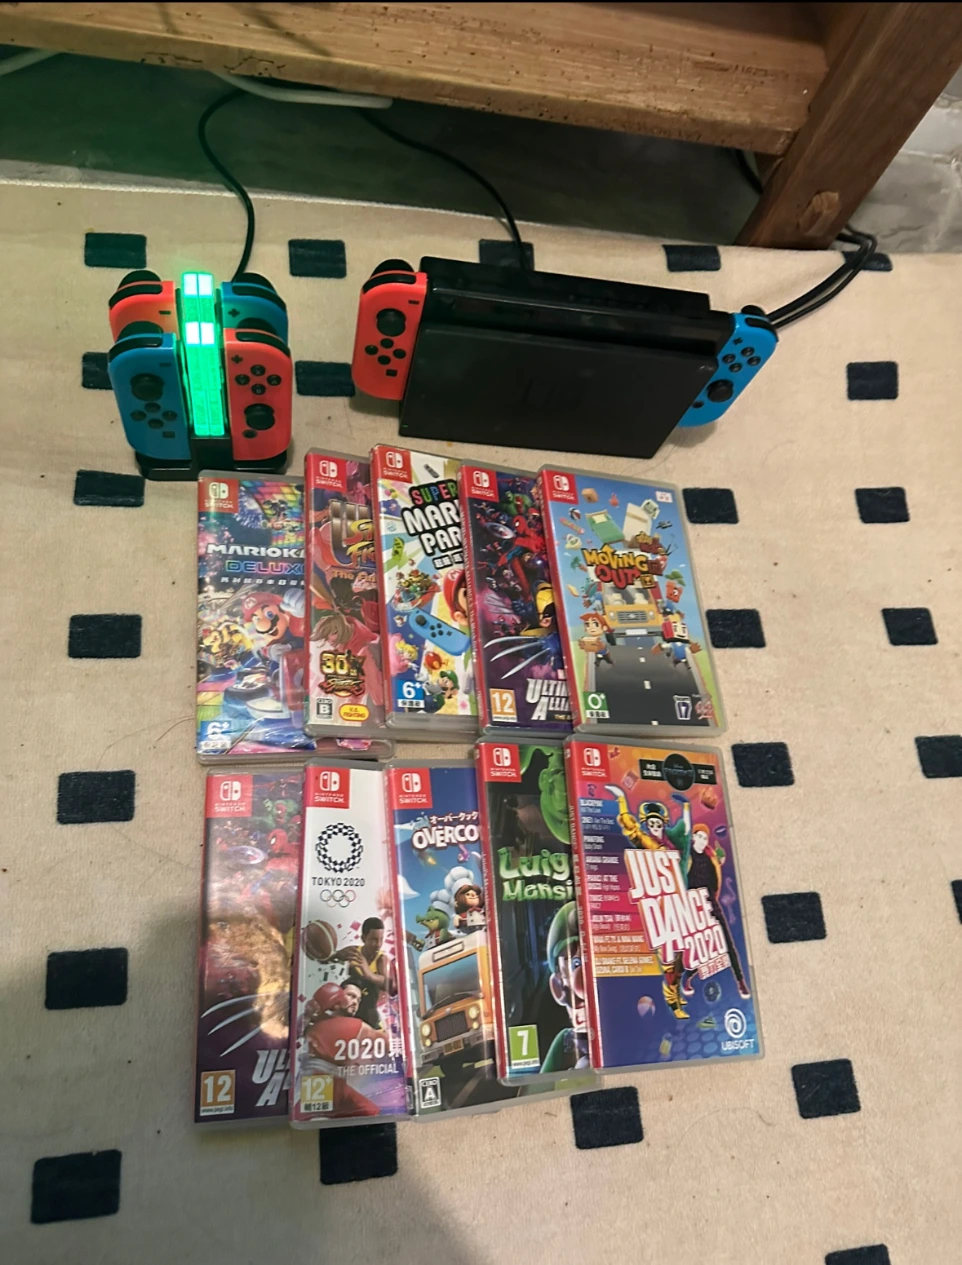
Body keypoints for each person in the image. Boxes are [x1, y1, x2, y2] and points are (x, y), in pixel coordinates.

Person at [680, 823, 750, 1000]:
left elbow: (715, 882)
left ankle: (740, 981)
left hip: (711, 903)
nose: (702, 840)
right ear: (693, 837)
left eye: (705, 838)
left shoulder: (710, 859)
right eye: (699, 836)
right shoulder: (685, 857)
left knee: (726, 942)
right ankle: (687, 977)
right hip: (692, 906)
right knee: (698, 946)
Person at [342, 917, 395, 1029]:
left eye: (381, 939)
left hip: (369, 1015)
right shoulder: (353, 952)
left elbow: (390, 986)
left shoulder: (381, 960)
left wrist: (369, 974)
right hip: (351, 1010)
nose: (378, 944)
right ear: (363, 938)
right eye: (374, 940)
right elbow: (331, 956)